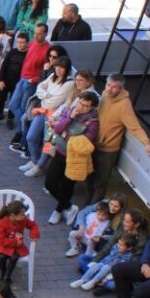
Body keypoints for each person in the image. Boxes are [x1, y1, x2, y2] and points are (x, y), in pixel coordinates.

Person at [88, 74, 150, 204]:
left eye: (114, 87)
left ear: (121, 88)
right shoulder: (104, 94)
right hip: (93, 144)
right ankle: (87, 203)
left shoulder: (124, 105)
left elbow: (135, 127)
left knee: (101, 182)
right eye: (108, 85)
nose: (109, 89)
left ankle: (94, 208)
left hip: (108, 150)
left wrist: (147, 144)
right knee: (89, 176)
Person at [44, 90, 99, 225]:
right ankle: (69, 206)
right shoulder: (71, 111)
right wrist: (70, 118)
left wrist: (66, 135)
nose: (80, 107)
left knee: (67, 186)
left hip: (75, 159)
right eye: (80, 103)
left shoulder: (93, 122)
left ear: (92, 107)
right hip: (59, 152)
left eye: (85, 106)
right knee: (50, 183)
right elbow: (58, 129)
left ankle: (59, 210)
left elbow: (84, 141)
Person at [0, 199, 39, 284]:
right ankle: (3, 274)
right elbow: (2, 240)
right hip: (2, 244)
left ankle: (6, 277)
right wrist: (15, 242)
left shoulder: (23, 220)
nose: (24, 216)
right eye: (22, 214)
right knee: (2, 257)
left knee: (14, 257)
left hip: (16, 245)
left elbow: (33, 225)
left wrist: (34, 234)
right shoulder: (1, 223)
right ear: (13, 215)